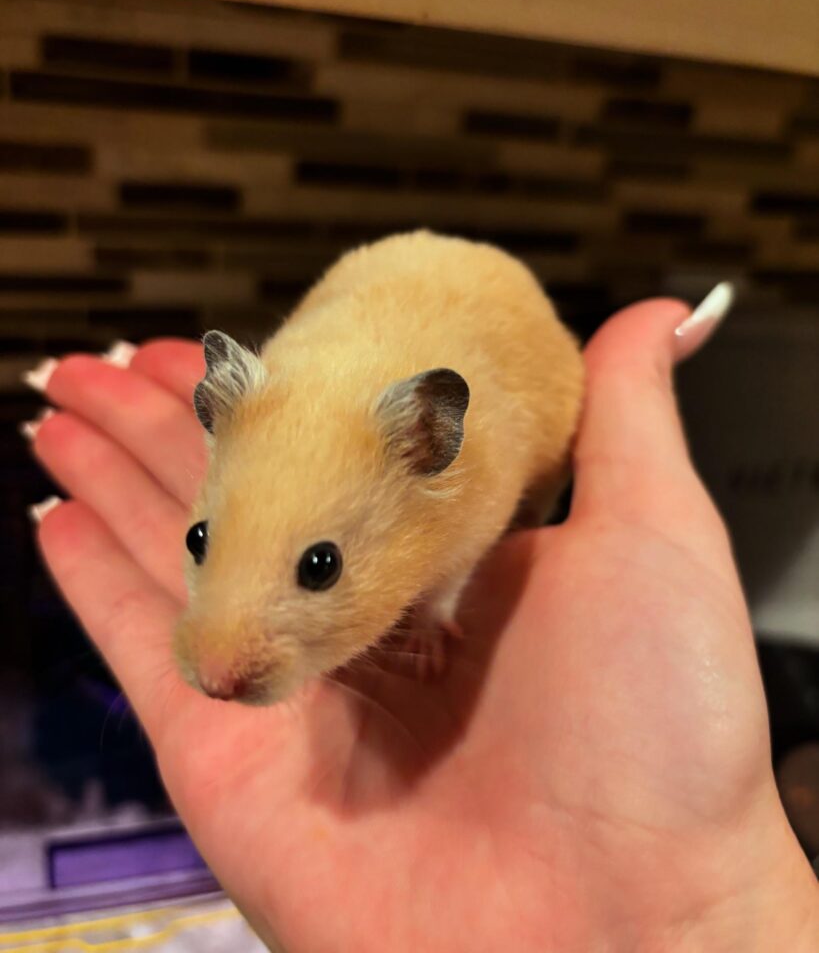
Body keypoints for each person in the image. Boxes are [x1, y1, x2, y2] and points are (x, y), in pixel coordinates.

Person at [23, 294, 819, 952]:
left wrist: (436, 607)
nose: (219, 673)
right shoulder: (266, 415)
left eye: (319, 567)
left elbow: (491, 498)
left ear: (428, 442)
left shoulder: (446, 472)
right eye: (201, 541)